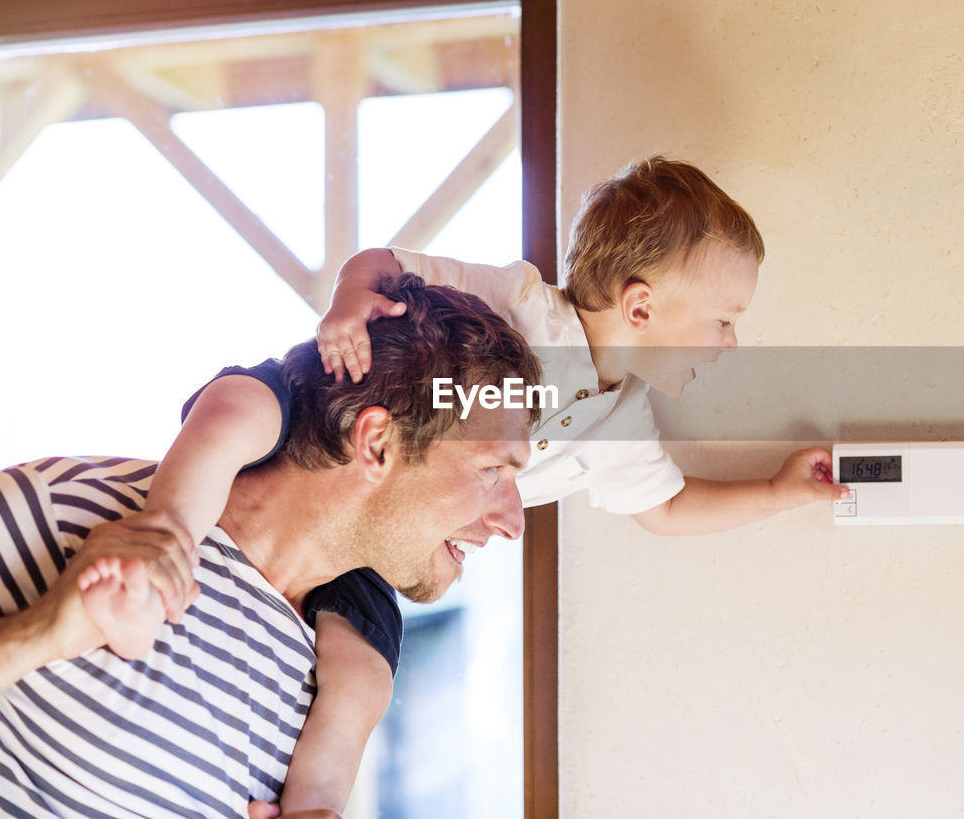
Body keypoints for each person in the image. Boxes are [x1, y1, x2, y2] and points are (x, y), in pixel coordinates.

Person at [100, 156, 850, 813]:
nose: (731, 341)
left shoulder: (622, 421)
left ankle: (315, 806)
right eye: (722, 320)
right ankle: (158, 546)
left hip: (382, 545)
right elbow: (380, 263)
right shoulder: (517, 302)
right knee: (235, 411)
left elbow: (670, 506)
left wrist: (780, 492)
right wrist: (348, 307)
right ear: (641, 305)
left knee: (363, 677)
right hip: (313, 419)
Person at [0, 274, 540, 819]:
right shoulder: (58, 506)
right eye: (492, 469)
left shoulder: (342, 672)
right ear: (378, 443)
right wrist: (42, 634)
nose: (514, 521)